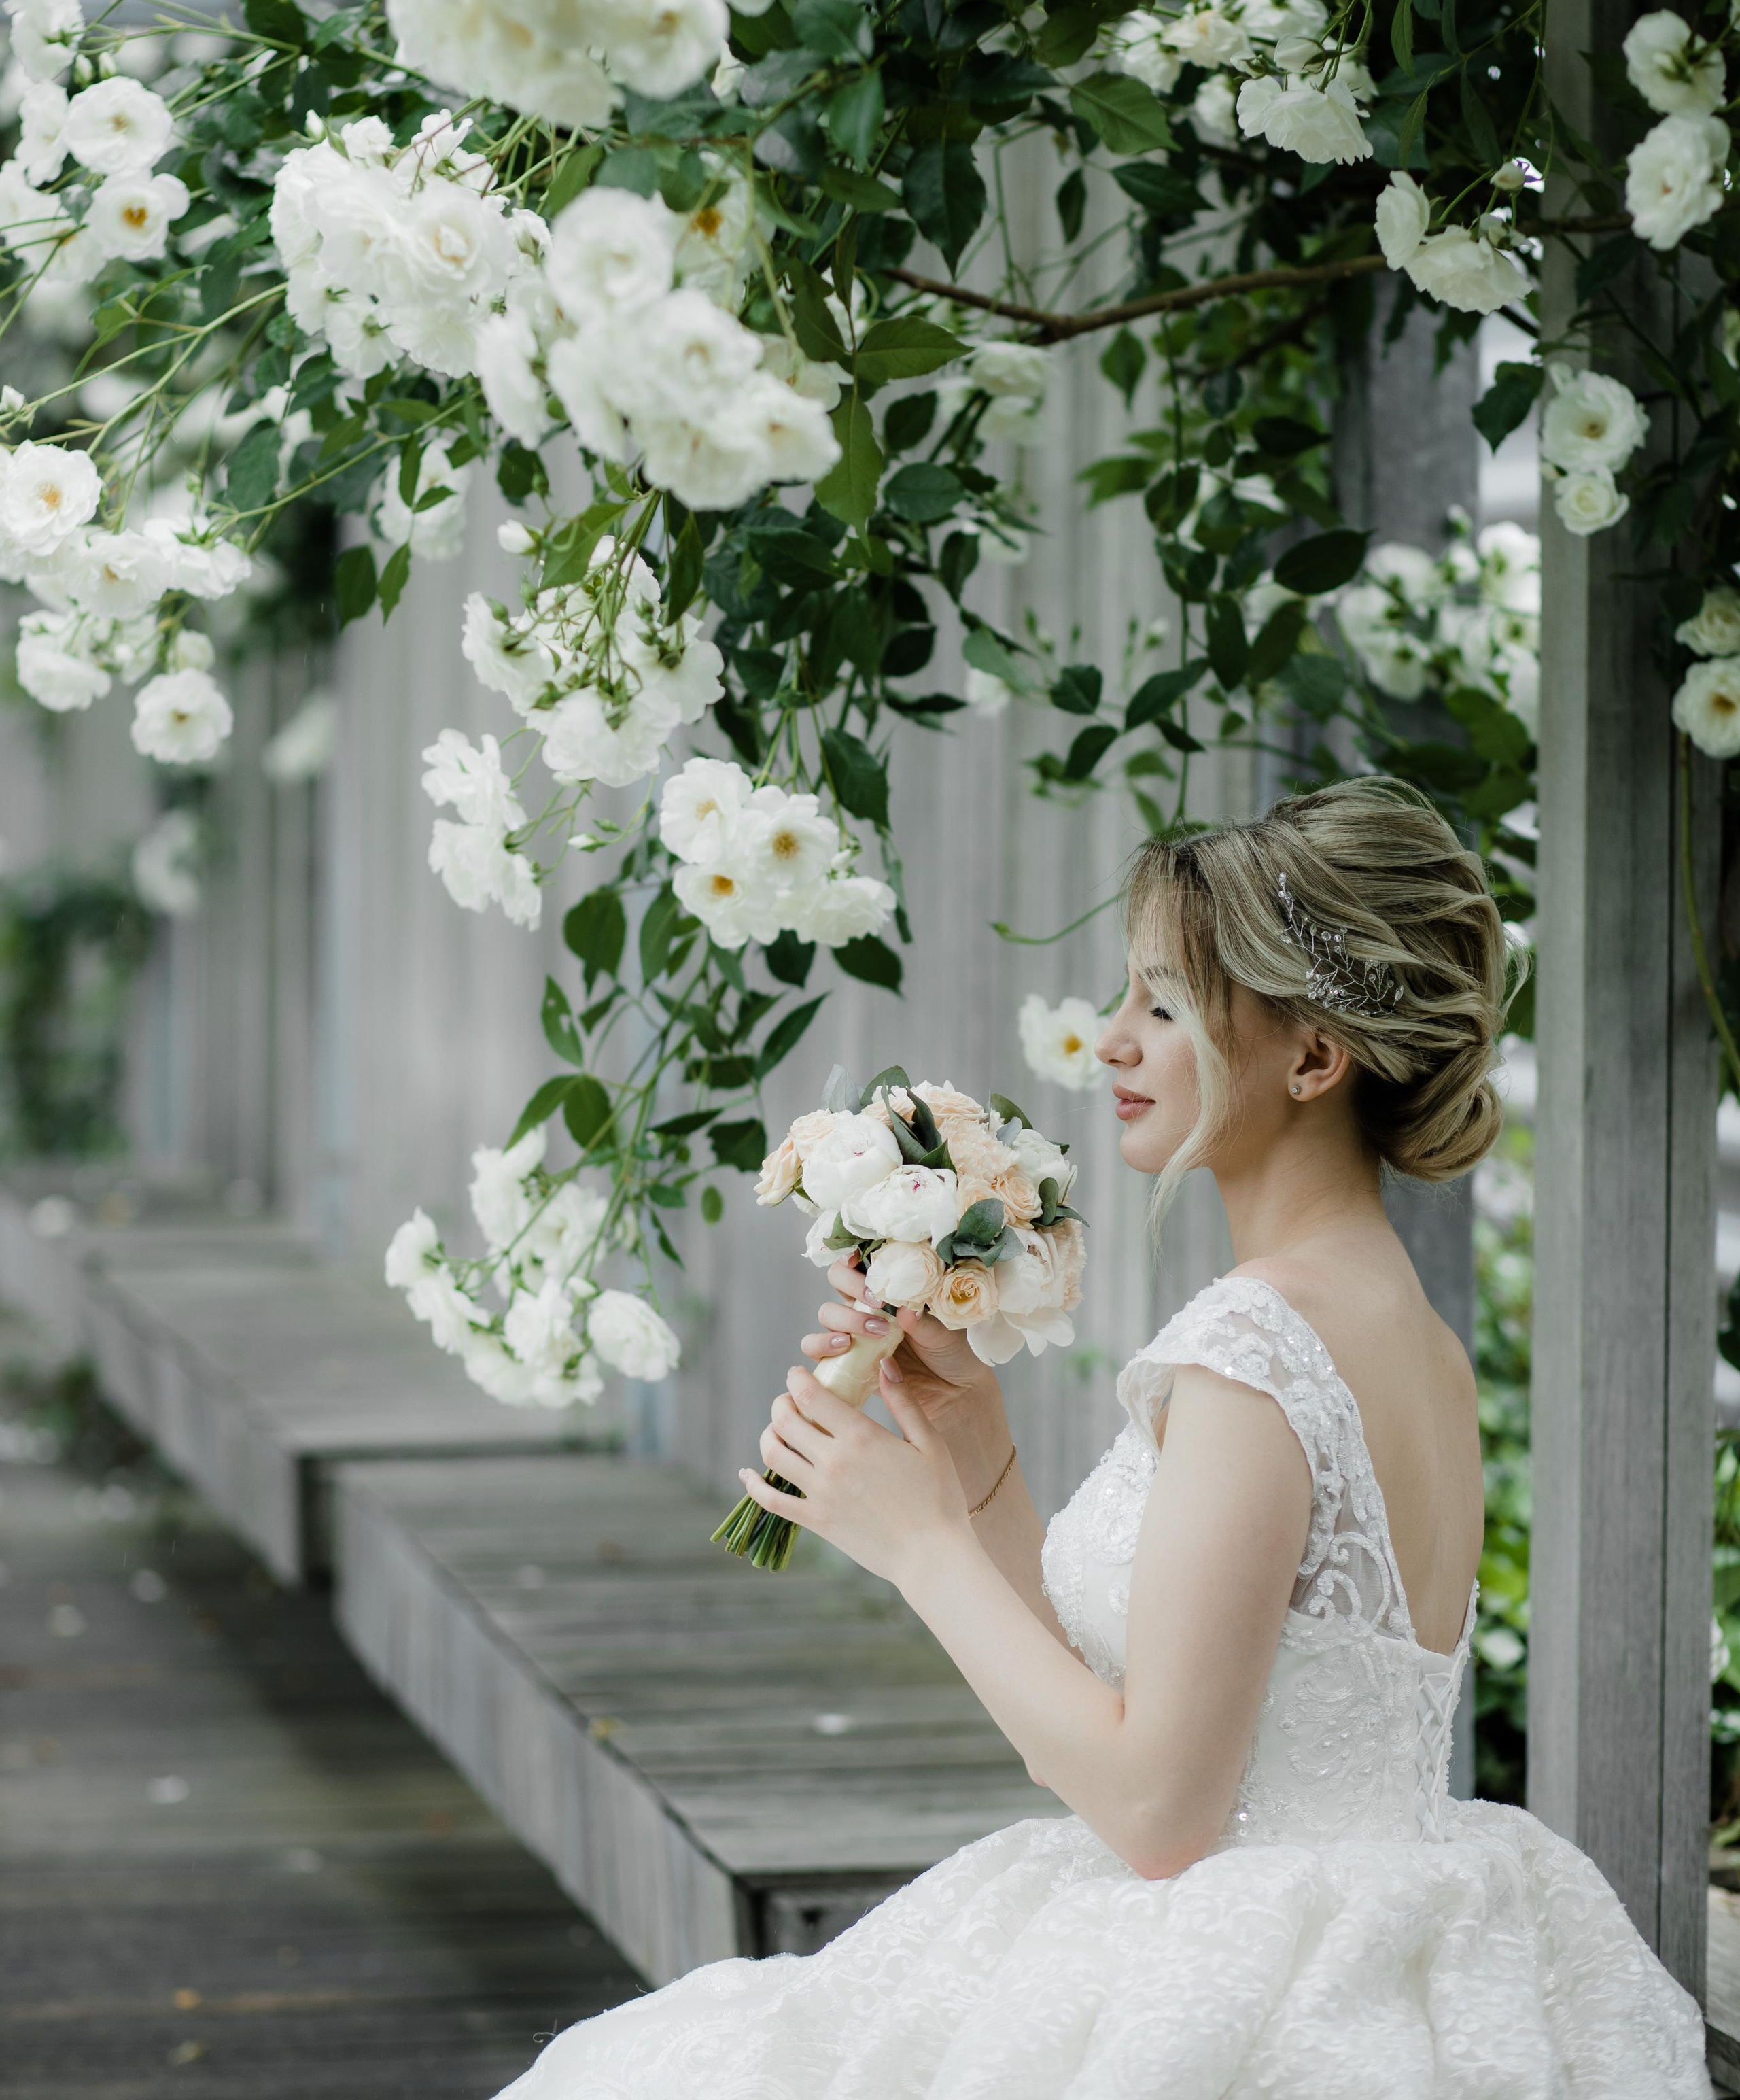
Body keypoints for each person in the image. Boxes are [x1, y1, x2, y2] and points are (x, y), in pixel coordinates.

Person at [498, 778, 1712, 2098]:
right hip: (1405, 1924)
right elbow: (1152, 1700)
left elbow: (1154, 1812)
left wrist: (916, 1549)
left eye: (1163, 1005)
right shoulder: (1403, 1330)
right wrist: (973, 1450)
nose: (1111, 1043)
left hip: (1256, 1967)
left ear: (1311, 1058)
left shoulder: (1255, 1349)